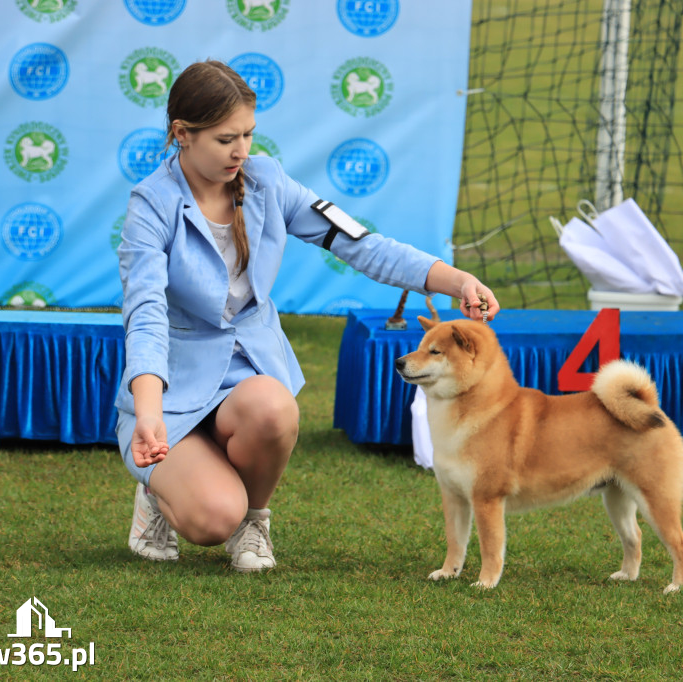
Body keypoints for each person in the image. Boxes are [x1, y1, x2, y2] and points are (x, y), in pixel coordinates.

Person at [117, 60, 500, 572]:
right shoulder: (150, 204)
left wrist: (457, 281)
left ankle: (253, 522)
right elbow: (144, 314)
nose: (242, 151)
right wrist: (147, 414)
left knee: (274, 410)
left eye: (249, 134)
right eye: (226, 139)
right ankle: (159, 497)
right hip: (172, 392)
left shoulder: (268, 180)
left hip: (246, 380)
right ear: (182, 134)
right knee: (211, 520)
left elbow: (364, 246)